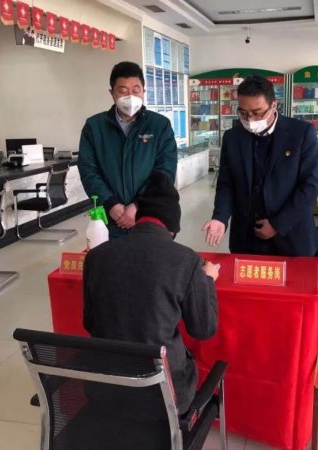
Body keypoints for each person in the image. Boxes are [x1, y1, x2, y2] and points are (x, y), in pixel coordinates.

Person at [83, 170, 219, 416]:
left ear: (139, 220)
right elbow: (203, 329)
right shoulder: (186, 261)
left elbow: (89, 322)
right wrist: (207, 280)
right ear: (173, 229)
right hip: (164, 396)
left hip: (105, 388)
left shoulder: (96, 257)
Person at [203, 75, 318, 257]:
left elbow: (310, 185)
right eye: (243, 113)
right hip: (246, 238)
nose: (250, 120)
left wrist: (277, 224)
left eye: (257, 113)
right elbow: (226, 184)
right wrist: (220, 217)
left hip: (291, 237)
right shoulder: (233, 137)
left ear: (274, 105)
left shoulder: (301, 133)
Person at [78, 61, 178, 239]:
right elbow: (88, 170)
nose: (130, 96)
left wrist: (138, 205)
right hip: (110, 218)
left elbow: (165, 170)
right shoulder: (94, 127)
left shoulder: (159, 125)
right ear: (112, 93)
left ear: (144, 92)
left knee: (150, 255)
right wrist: (110, 203)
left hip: (150, 215)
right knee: (111, 256)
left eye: (136, 90)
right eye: (123, 91)